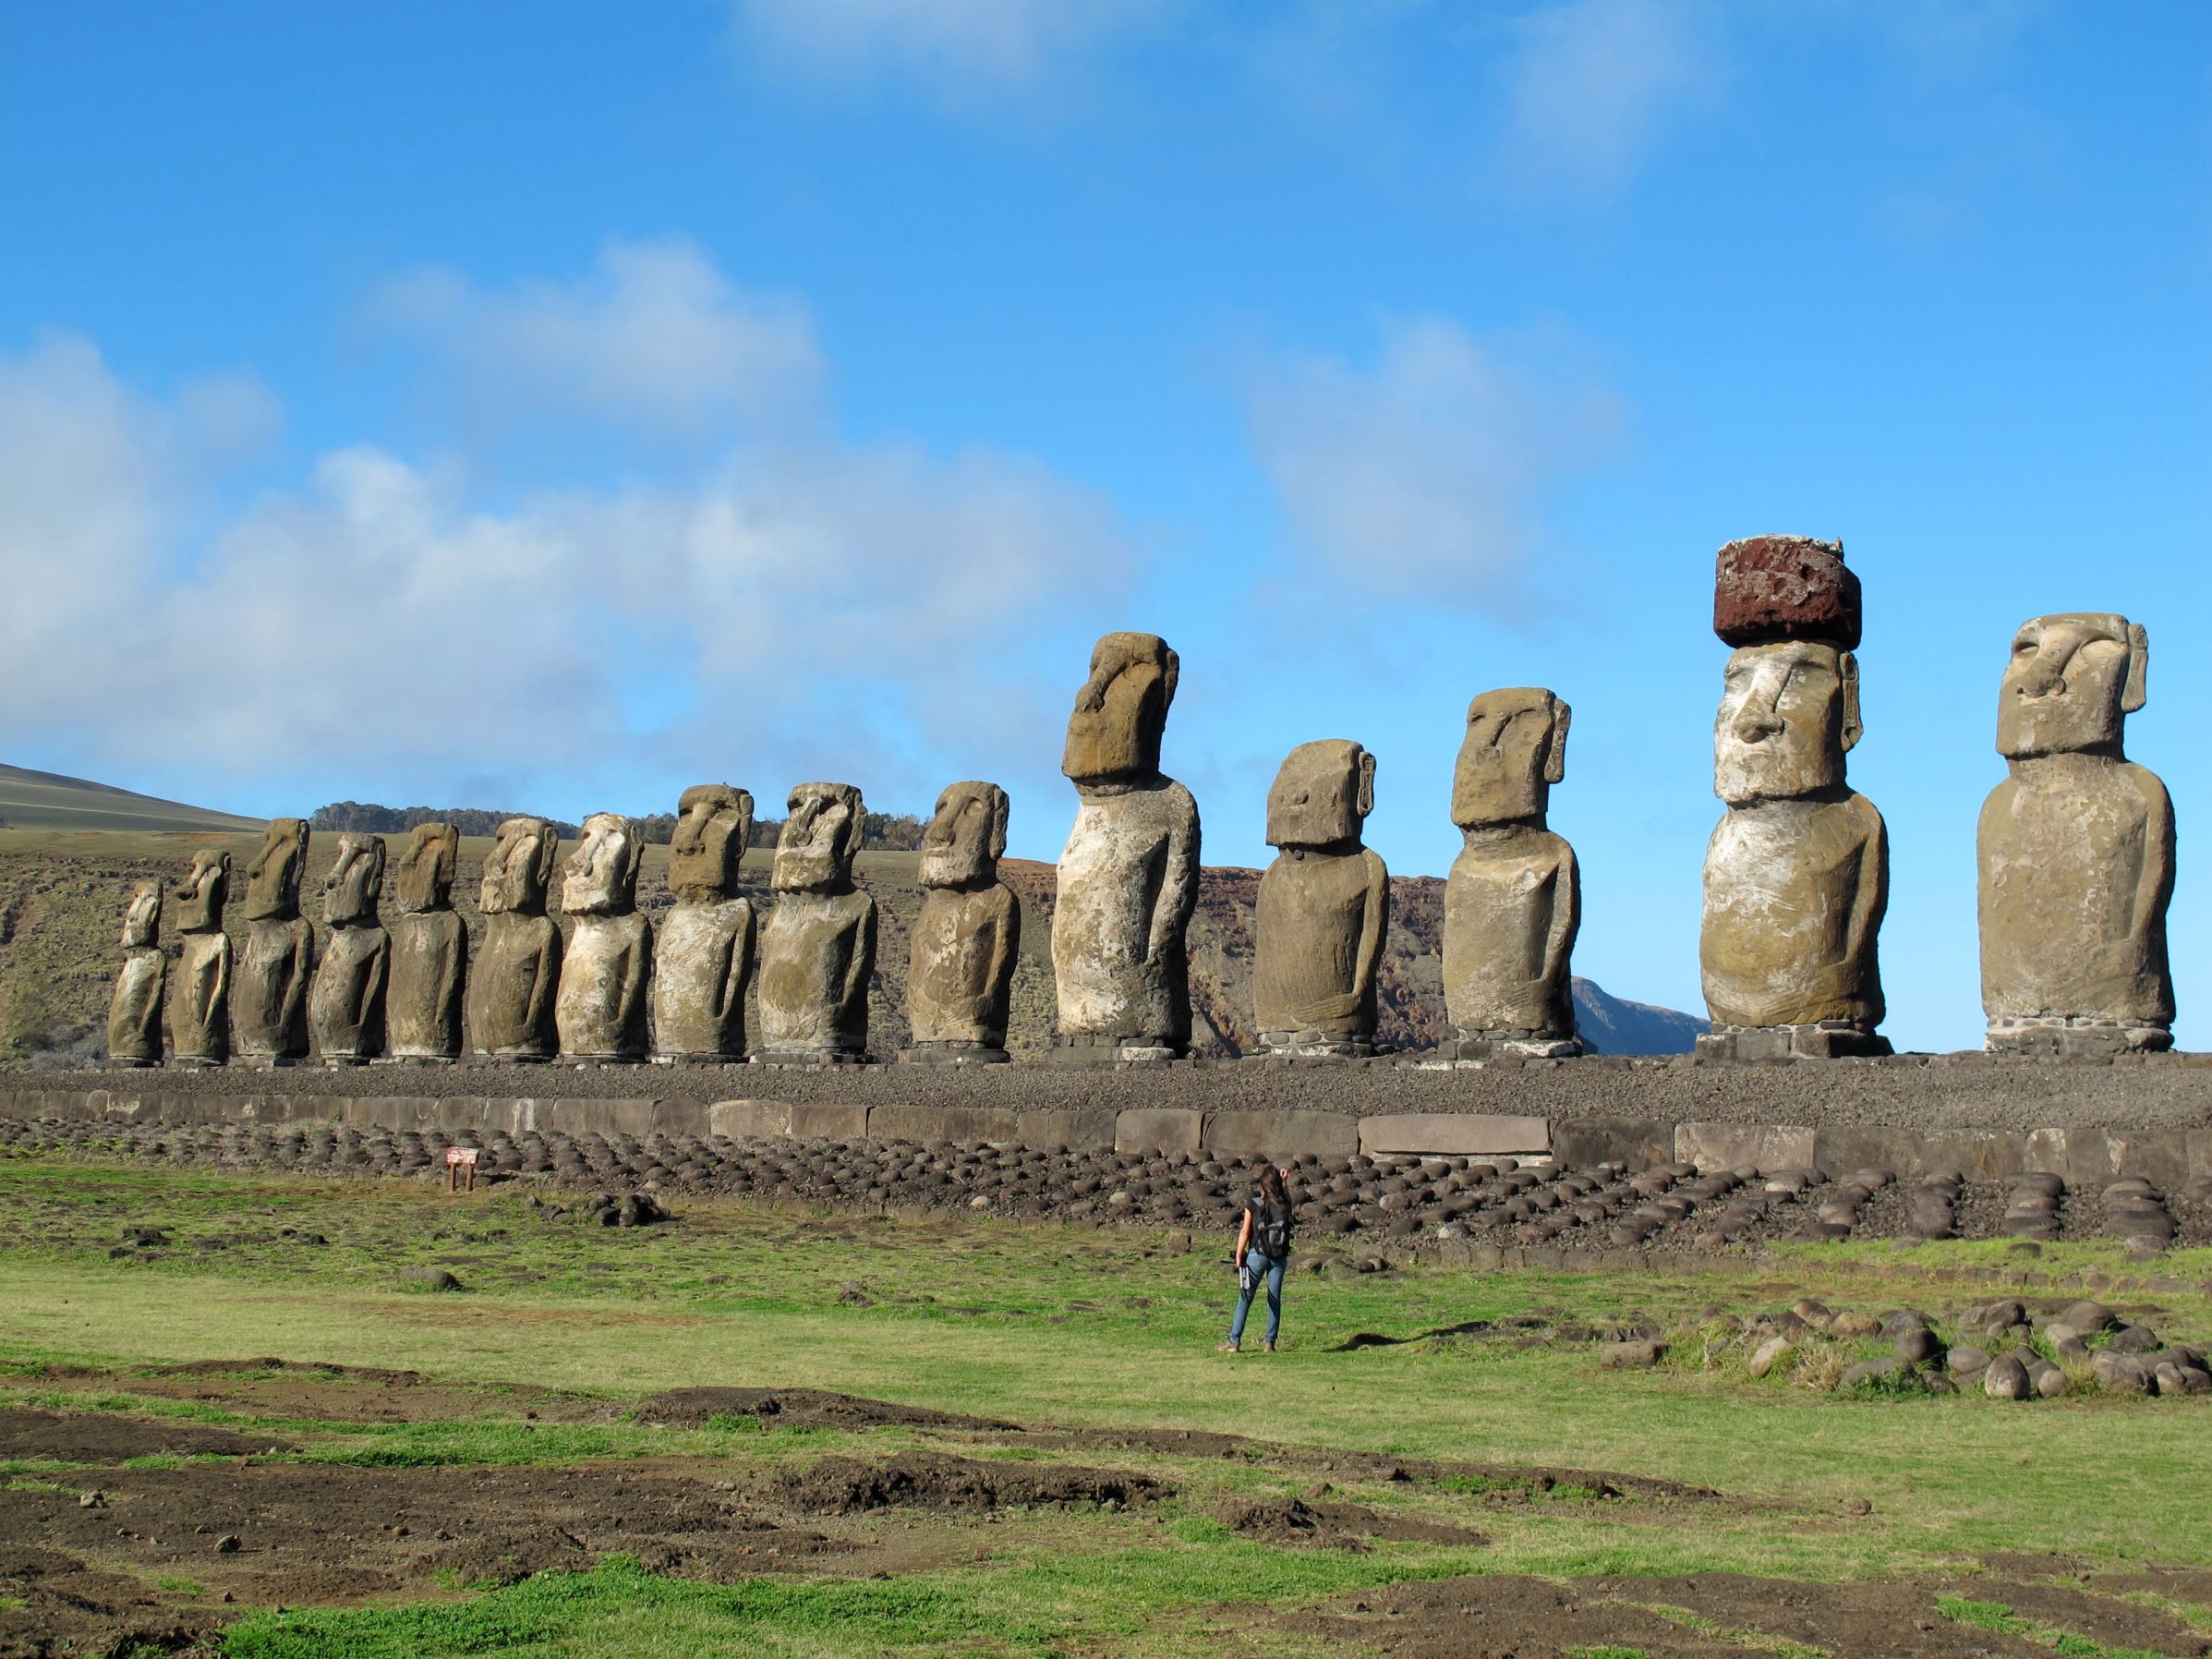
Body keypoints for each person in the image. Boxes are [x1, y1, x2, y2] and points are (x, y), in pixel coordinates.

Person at [1218, 1163, 1293, 1353]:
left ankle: (1234, 1341)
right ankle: (1270, 1342)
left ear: (1262, 1184)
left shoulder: (1254, 1203)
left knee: (1246, 1297)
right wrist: (1284, 1183)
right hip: (1279, 1257)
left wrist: (1238, 1254)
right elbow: (1285, 1199)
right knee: (1274, 1298)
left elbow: (1245, 1231)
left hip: (1257, 1254)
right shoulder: (1284, 1203)